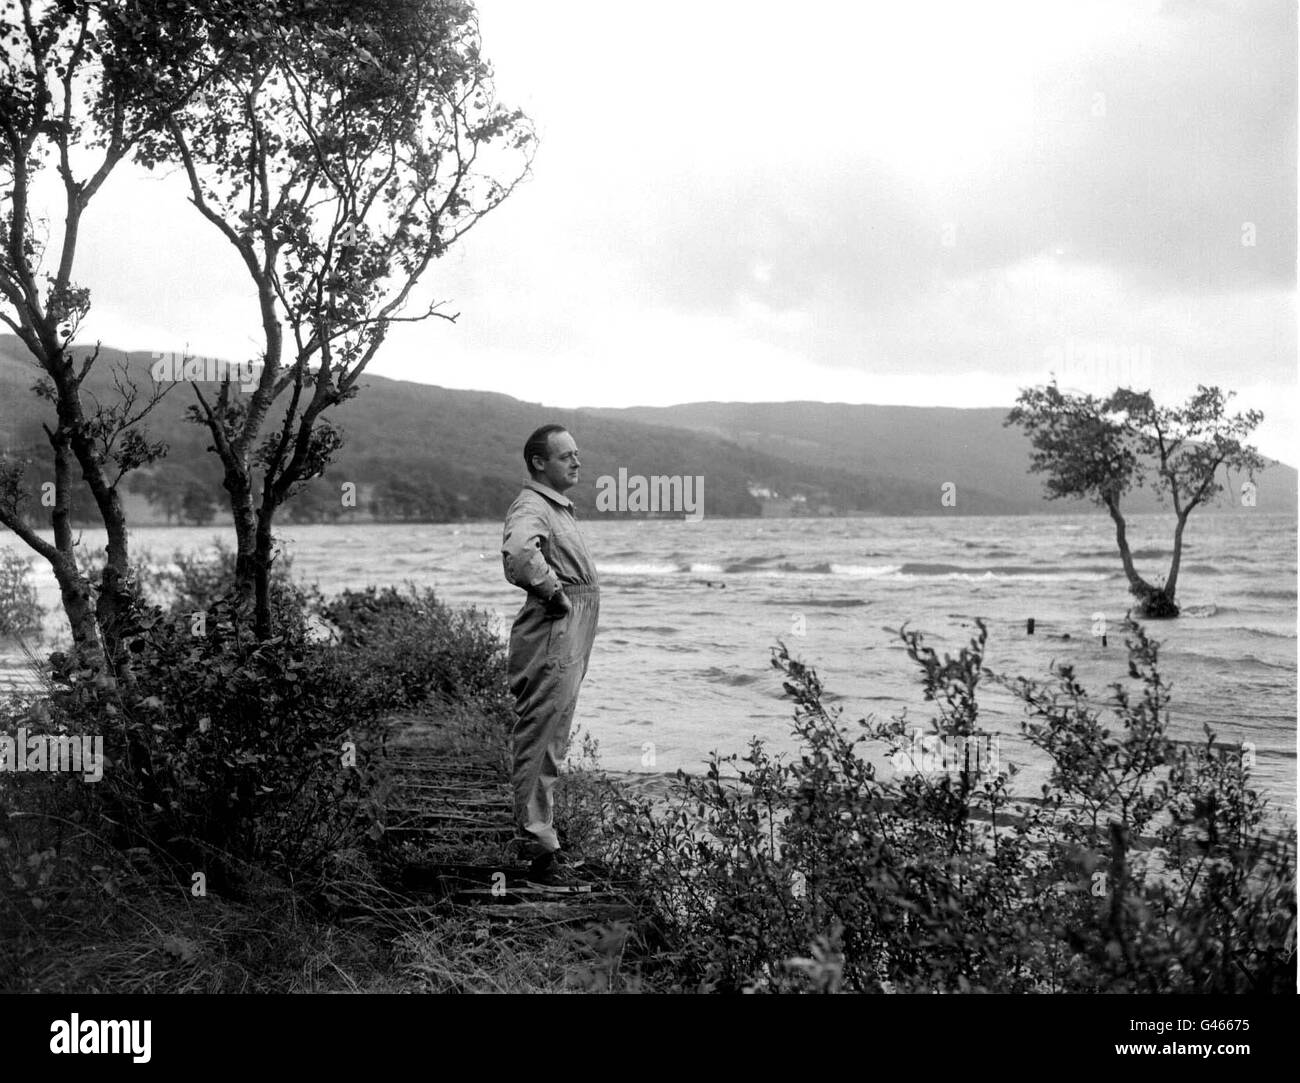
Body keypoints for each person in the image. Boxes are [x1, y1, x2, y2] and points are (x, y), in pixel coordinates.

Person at [500, 424, 600, 882]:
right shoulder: (532, 505)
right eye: (566, 456)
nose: (576, 462)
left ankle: (544, 843)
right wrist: (555, 594)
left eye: (577, 454)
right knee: (541, 740)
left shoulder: (553, 507)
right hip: (554, 630)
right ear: (539, 463)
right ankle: (538, 851)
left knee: (552, 739)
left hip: (569, 629)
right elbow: (520, 557)